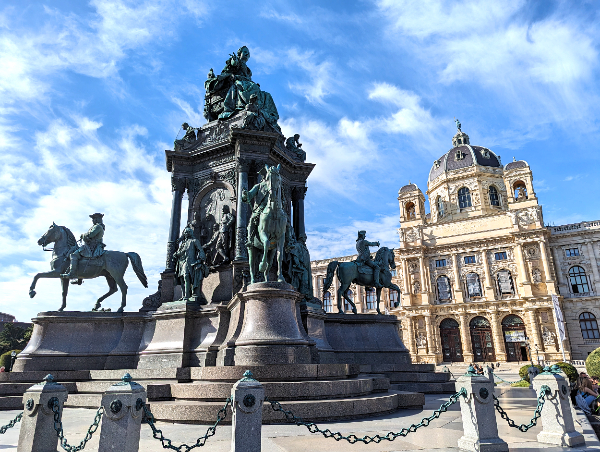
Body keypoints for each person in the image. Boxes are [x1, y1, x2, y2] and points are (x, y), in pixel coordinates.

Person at [62, 213, 106, 279]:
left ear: (97, 219)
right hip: (91, 245)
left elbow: (91, 235)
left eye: (93, 219)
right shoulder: (97, 226)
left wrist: (83, 235)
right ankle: (79, 277)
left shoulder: (98, 227)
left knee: (74, 255)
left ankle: (72, 273)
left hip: (92, 246)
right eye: (92, 219)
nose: (92, 220)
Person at [173, 225, 208, 302]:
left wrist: (200, 260)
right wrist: (176, 254)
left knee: (186, 276)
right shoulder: (182, 244)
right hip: (181, 262)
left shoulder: (194, 241)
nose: (185, 234)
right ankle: (184, 295)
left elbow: (200, 250)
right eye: (185, 232)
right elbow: (180, 252)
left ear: (190, 233)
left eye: (187, 232)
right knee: (181, 279)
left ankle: (187, 295)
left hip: (189, 262)